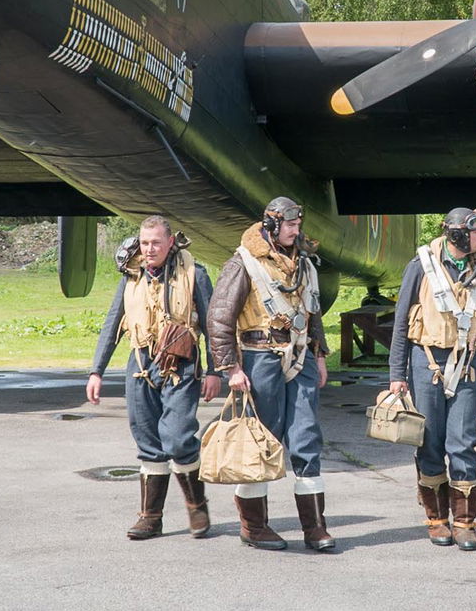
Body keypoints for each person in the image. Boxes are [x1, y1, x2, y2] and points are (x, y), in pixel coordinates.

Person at [207, 196, 335, 551]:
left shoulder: (304, 263)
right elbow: (219, 317)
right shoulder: (243, 263)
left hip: (301, 356)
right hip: (258, 357)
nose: (296, 231)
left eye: (298, 225)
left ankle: (315, 528)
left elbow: (313, 309)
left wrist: (319, 354)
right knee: (258, 442)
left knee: (307, 438)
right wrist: (230, 367)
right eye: (290, 225)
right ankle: (254, 526)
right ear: (273, 225)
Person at [87, 217, 220, 539]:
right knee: (148, 441)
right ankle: (150, 517)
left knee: (176, 438)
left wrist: (215, 371)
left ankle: (196, 505)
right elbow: (112, 323)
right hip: (139, 364)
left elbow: (214, 327)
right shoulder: (131, 276)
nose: (149, 249)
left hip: (181, 366)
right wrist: (96, 371)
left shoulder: (195, 274)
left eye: (156, 243)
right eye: (145, 243)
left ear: (170, 242)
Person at [389, 208, 476, 551]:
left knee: (462, 442)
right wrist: (397, 375)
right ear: (458, 235)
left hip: (469, 364)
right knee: (430, 441)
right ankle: (436, 519)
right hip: (428, 363)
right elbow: (401, 323)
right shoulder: (421, 267)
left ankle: (464, 522)